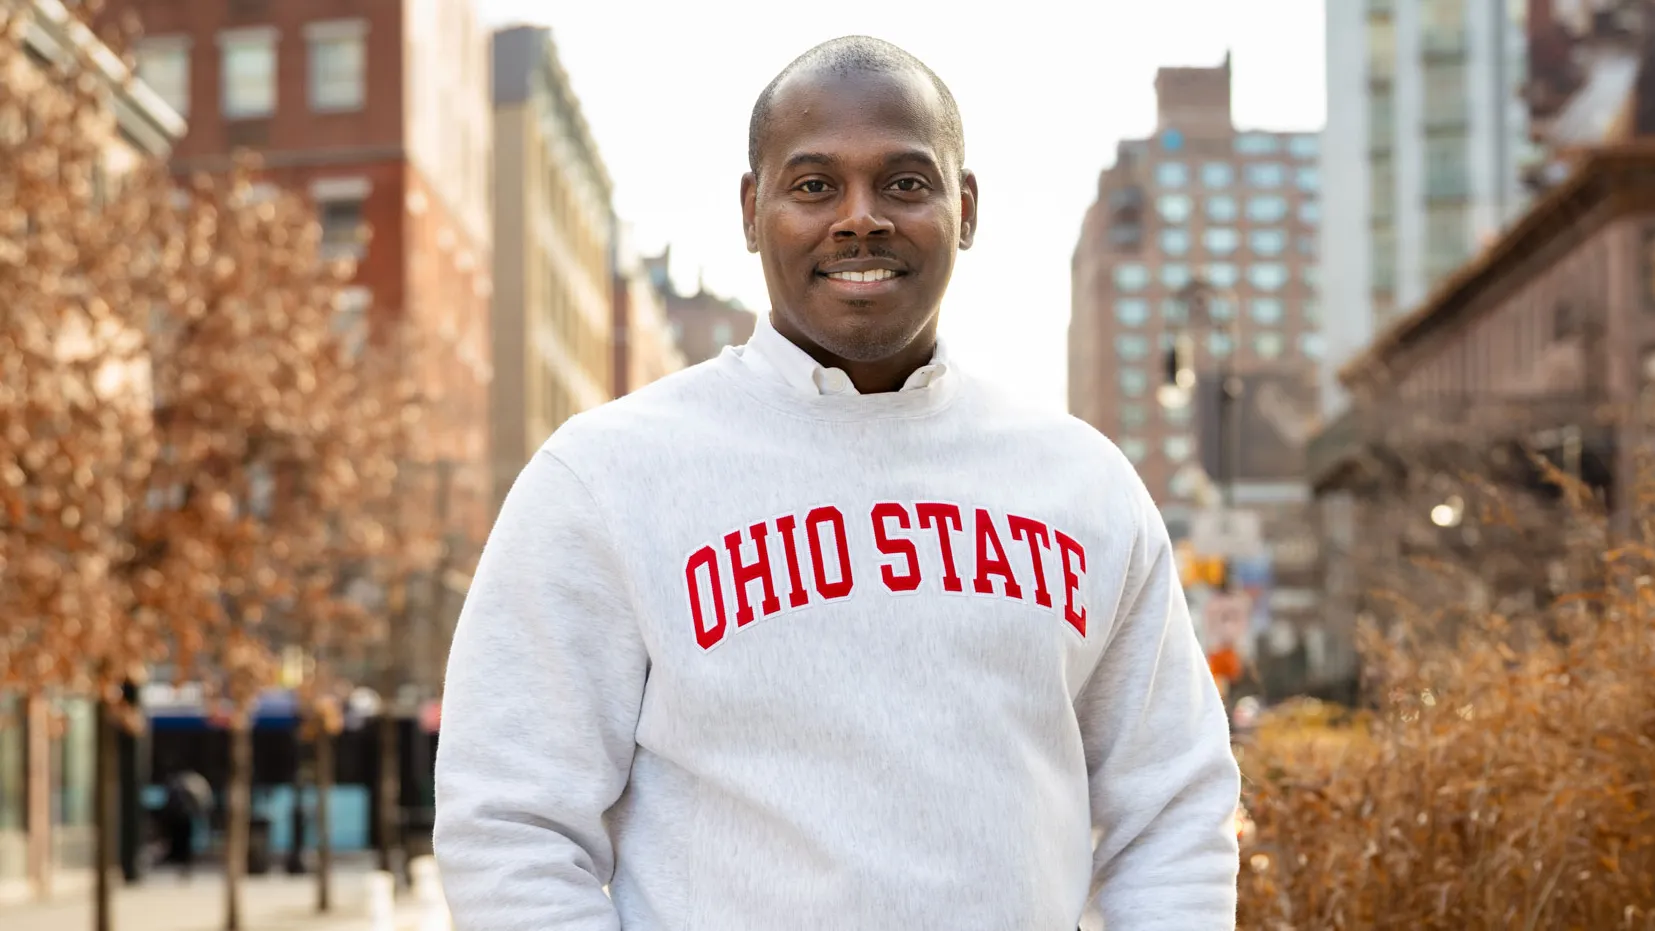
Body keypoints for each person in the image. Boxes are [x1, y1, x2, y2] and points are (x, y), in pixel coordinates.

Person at [434, 35, 1241, 930]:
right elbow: (510, 822)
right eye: (814, 184)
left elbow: (1171, 808)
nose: (860, 218)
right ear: (752, 211)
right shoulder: (603, 477)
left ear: (964, 208)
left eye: (904, 182)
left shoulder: (1084, 484)